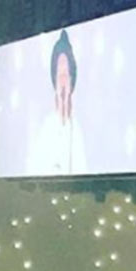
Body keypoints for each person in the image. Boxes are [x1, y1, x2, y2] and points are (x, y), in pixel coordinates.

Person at [29, 29, 88, 176]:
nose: (63, 80)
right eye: (59, 74)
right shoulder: (46, 126)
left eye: (66, 74)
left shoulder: (79, 128)